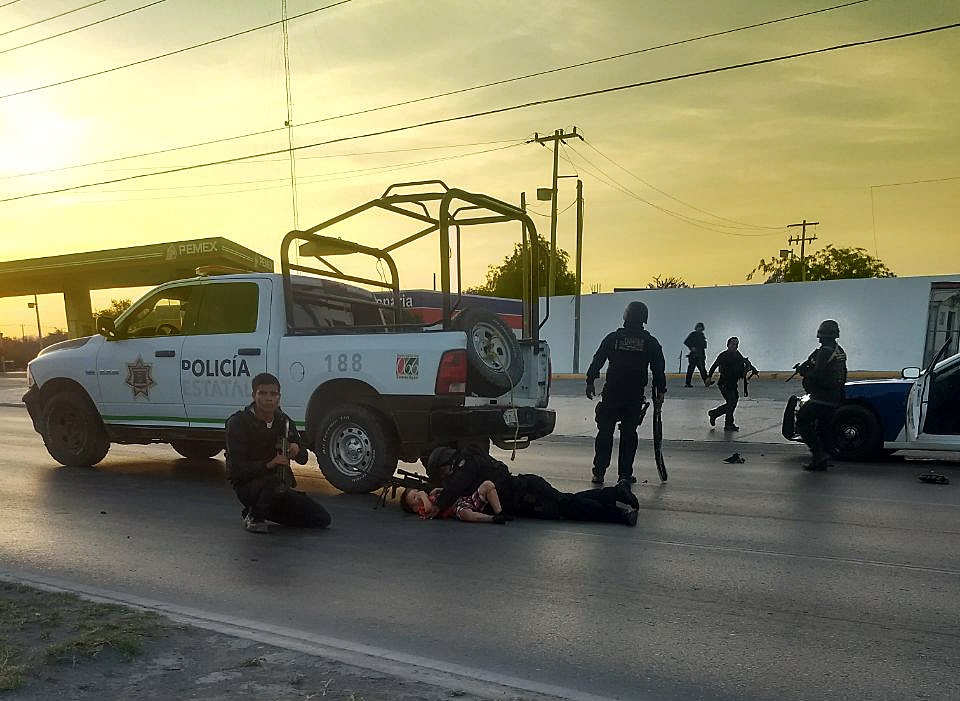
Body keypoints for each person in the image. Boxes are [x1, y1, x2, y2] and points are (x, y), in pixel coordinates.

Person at [425, 446, 641, 526]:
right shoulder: (471, 460)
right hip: (527, 487)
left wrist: (438, 504)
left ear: (447, 464)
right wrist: (443, 493)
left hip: (528, 497)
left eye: (442, 473)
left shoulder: (466, 466)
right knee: (569, 500)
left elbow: (458, 485)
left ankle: (618, 515)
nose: (444, 478)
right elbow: (461, 488)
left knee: (570, 507)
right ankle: (615, 493)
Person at [225, 372, 331, 533]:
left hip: (279, 487)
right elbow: (237, 470)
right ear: (254, 395)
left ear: (279, 397)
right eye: (263, 393)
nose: (268, 398)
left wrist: (295, 450)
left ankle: (258, 512)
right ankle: (256, 517)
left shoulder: (284, 422)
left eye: (273, 394)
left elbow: (303, 457)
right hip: (250, 486)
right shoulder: (238, 423)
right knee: (271, 482)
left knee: (321, 518)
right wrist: (269, 464)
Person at [585, 301, 667, 487]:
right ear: (644, 319)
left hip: (612, 395)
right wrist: (661, 391)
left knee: (605, 433)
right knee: (629, 435)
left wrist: (590, 381)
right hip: (633, 397)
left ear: (626, 316)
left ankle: (598, 473)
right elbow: (658, 370)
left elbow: (597, 360)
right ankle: (624, 475)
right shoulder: (650, 342)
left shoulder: (613, 338)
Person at [795, 319, 848, 471]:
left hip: (822, 396)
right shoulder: (839, 351)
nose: (819, 339)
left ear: (824, 336)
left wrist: (803, 372)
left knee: (803, 421)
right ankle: (825, 456)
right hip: (835, 396)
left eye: (821, 336)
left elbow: (817, 374)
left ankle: (818, 455)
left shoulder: (825, 351)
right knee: (823, 427)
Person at [401, 480, 511, 524]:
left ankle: (499, 512)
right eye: (415, 498)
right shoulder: (423, 510)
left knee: (488, 485)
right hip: (457, 508)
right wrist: (423, 495)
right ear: (415, 509)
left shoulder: (431, 496)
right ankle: (492, 519)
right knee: (466, 514)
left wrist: (440, 490)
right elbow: (429, 508)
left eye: (416, 492)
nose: (419, 495)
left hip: (464, 499)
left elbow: (448, 494)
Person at [706, 337, 752, 432]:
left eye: (736, 344)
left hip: (733, 383)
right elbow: (714, 366)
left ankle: (714, 414)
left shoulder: (738, 355)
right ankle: (728, 424)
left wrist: (748, 367)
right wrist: (709, 377)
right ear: (728, 345)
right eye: (733, 344)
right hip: (725, 383)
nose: (735, 346)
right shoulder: (724, 355)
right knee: (731, 403)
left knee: (732, 403)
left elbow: (742, 365)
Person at [683, 322, 713, 388]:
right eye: (699, 327)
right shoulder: (693, 334)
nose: (700, 329)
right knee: (691, 369)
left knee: (702, 370)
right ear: (696, 328)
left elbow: (704, 346)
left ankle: (706, 381)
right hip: (694, 355)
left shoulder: (702, 335)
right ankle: (687, 383)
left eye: (701, 327)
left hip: (700, 355)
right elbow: (686, 342)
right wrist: (692, 347)